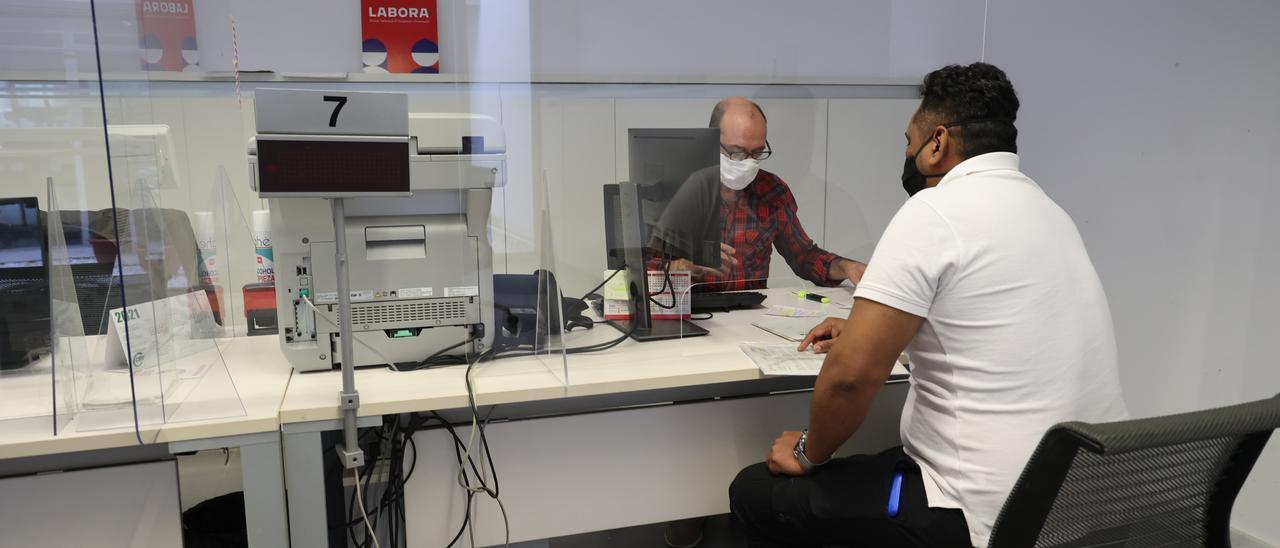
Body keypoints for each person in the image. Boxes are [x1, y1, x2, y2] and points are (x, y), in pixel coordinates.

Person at [727, 63, 1128, 547]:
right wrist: (864, 328)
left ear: (936, 143)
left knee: (755, 490)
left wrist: (809, 452)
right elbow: (990, 332)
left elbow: (851, 376)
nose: (907, 152)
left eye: (907, 140)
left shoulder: (934, 210)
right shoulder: (1051, 212)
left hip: (984, 511)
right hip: (1092, 504)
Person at [658, 97, 865, 291]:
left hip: (750, 316)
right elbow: (639, 269)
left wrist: (846, 267)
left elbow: (803, 256)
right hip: (690, 315)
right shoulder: (683, 187)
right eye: (737, 152)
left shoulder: (772, 191)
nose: (747, 162)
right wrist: (686, 264)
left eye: (756, 153)